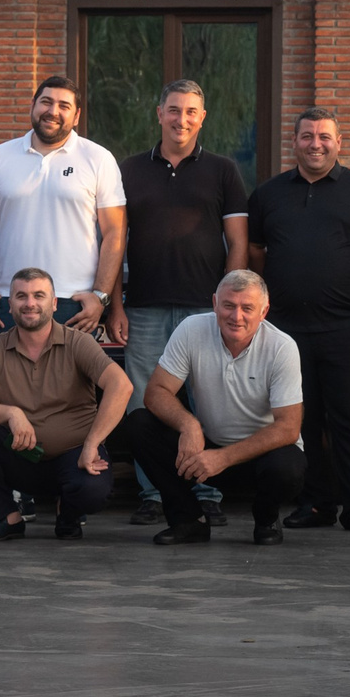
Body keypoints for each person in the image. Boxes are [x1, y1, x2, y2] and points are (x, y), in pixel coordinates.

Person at [250, 108, 350, 533]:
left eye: (324, 137)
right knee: (303, 418)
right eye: (307, 137)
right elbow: (256, 251)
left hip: (347, 325)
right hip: (286, 330)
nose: (315, 144)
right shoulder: (268, 194)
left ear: (339, 142)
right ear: (294, 142)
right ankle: (316, 503)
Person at [109, 79, 248, 526]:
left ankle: (205, 490)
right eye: (173, 110)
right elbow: (113, 242)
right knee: (145, 401)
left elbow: (238, 245)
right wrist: (115, 305)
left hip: (205, 310)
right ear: (159, 113)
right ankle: (155, 493)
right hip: (144, 306)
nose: (181, 119)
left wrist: (229, 308)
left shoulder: (224, 171)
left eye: (191, 112)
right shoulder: (128, 170)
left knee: (204, 400)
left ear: (201, 118)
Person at [122, 270, 306, 545]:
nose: (236, 316)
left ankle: (266, 518)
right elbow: (156, 392)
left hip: (260, 458)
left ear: (264, 311)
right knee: (139, 423)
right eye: (229, 305)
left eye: (247, 308)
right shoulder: (192, 329)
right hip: (205, 450)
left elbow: (289, 428)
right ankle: (188, 520)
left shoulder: (282, 347)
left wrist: (223, 458)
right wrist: (189, 424)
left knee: (289, 466)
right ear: (214, 303)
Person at [0, 268, 136, 541]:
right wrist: (11, 413)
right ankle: (7, 517)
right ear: (10, 304)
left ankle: (69, 513)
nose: (30, 303)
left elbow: (121, 385)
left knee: (93, 492)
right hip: (19, 458)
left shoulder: (79, 342)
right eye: (21, 296)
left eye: (39, 295)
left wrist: (92, 444)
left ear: (53, 304)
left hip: (74, 457)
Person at [0, 75, 125, 339]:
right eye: (46, 102)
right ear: (33, 105)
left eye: (64, 106)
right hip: (11, 300)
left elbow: (115, 232)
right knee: (9, 381)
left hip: (75, 303)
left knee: (72, 382)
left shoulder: (98, 158)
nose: (53, 111)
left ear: (76, 116)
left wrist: (100, 296)